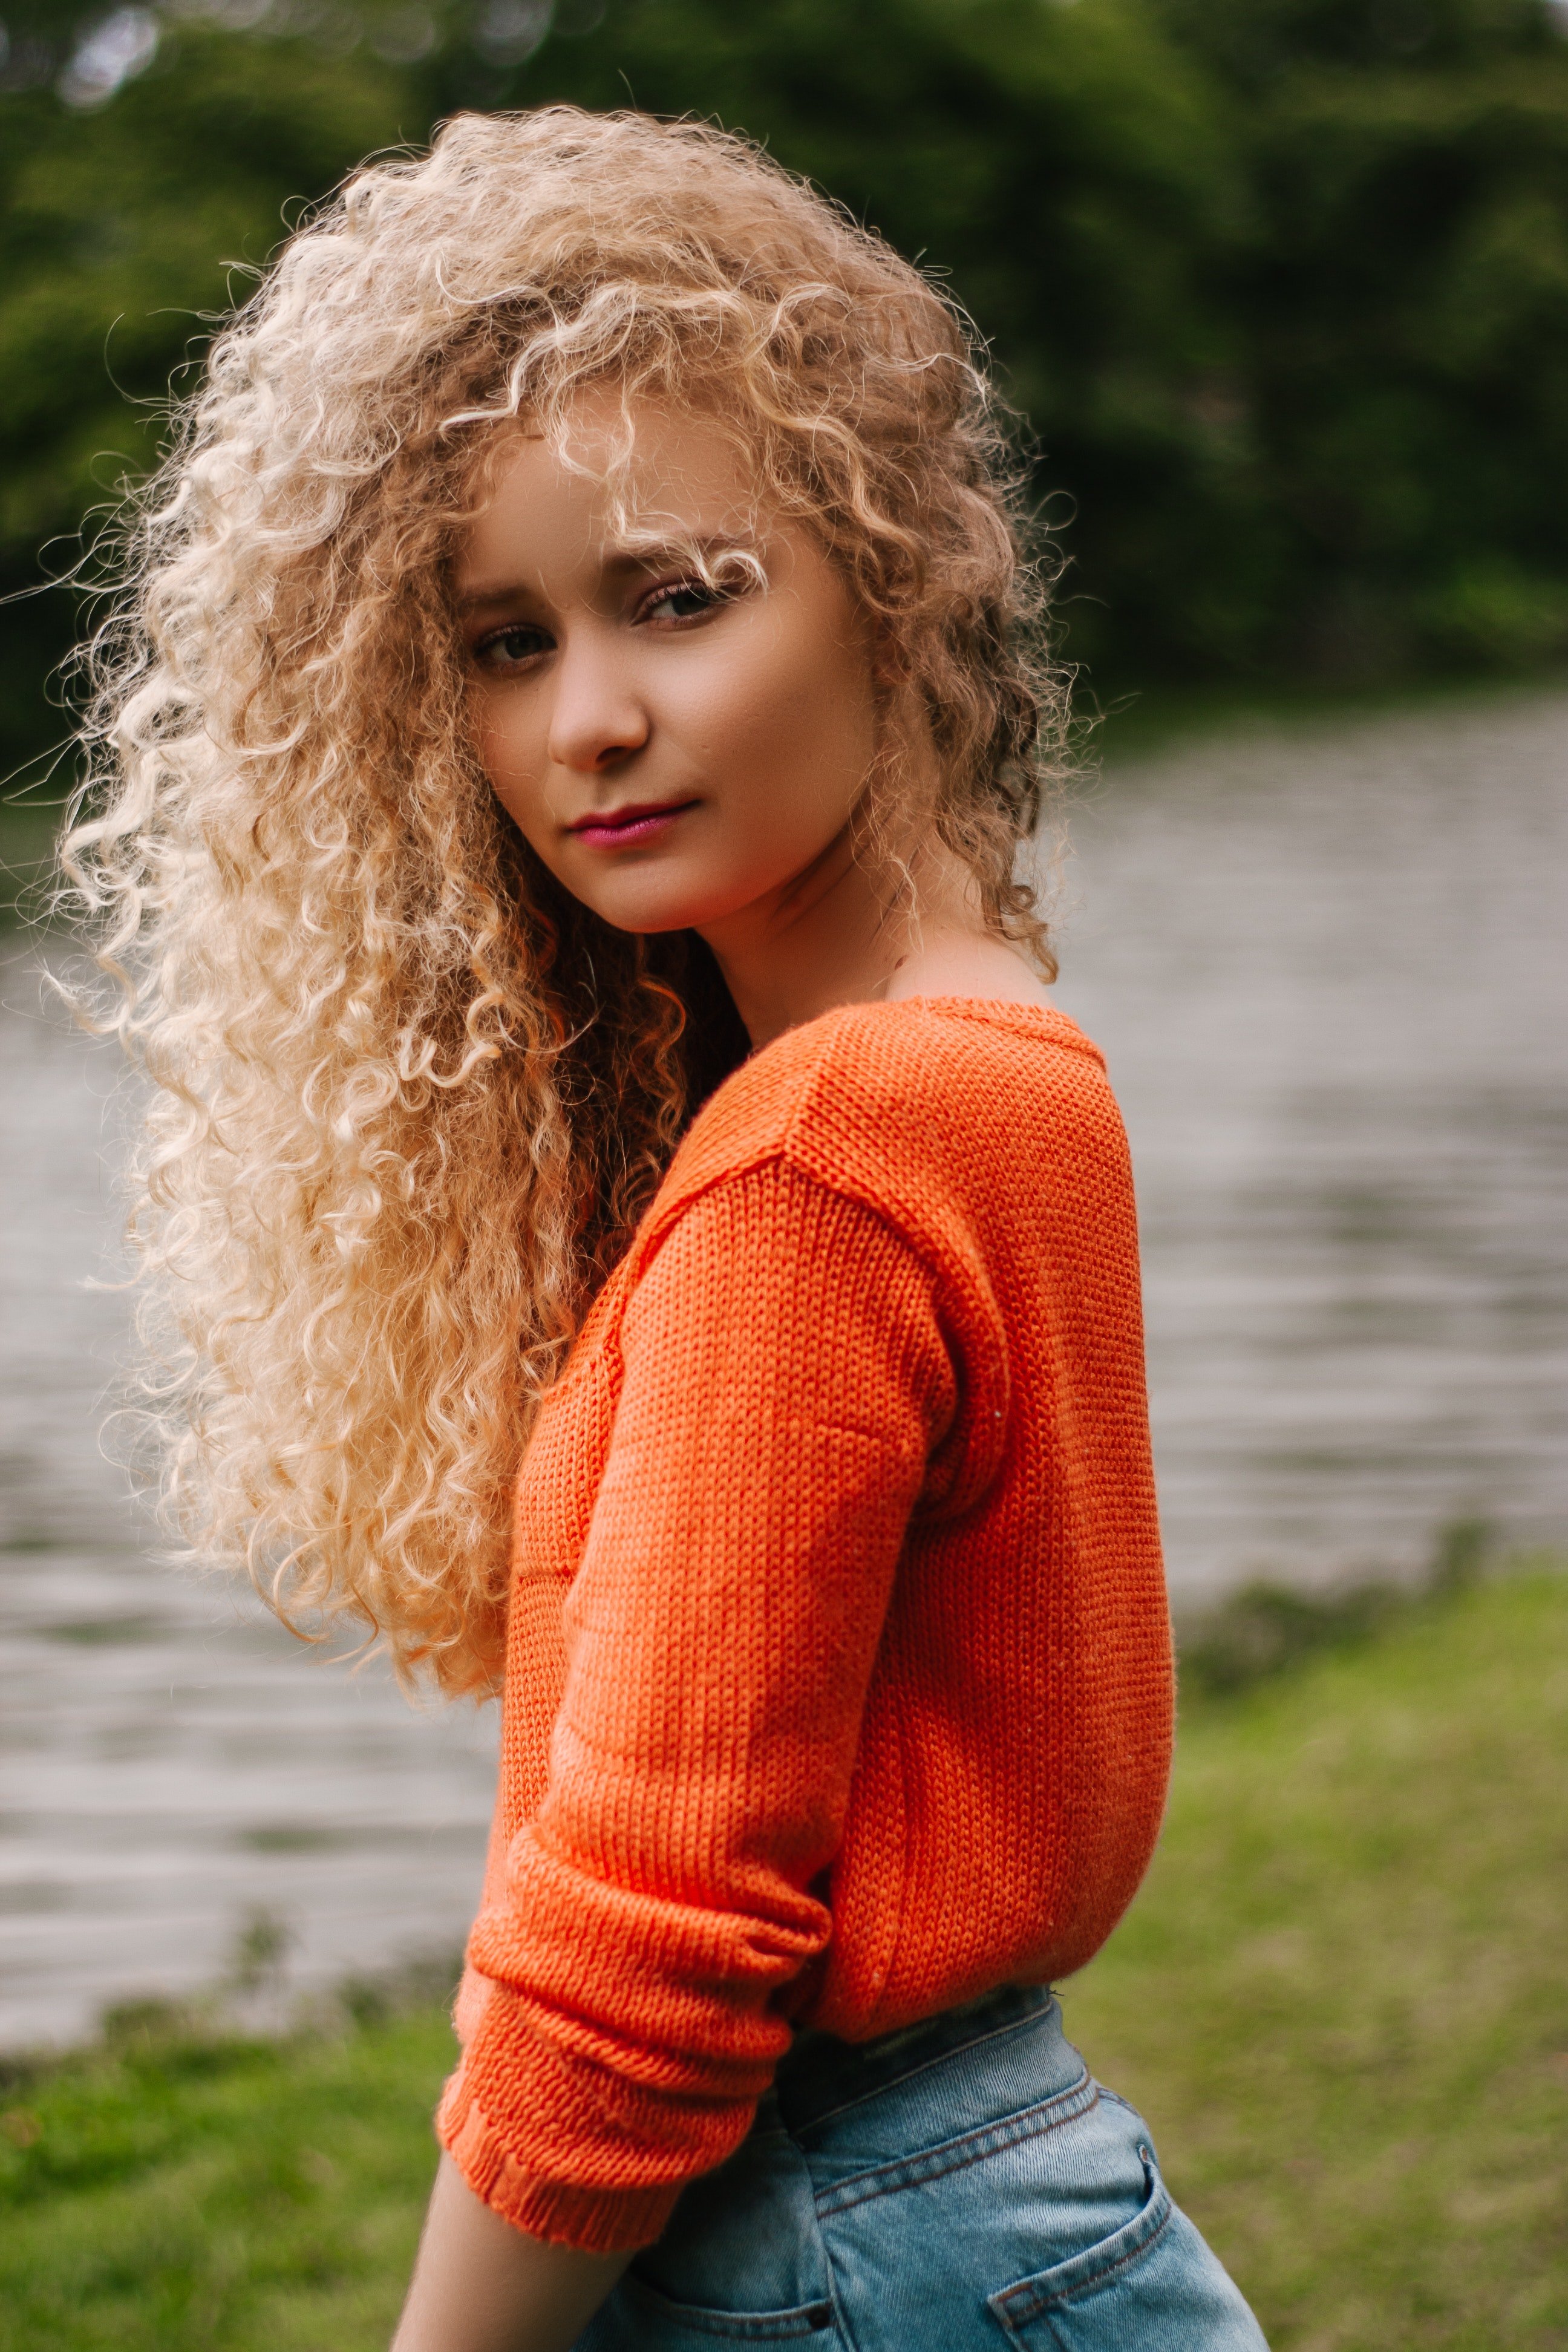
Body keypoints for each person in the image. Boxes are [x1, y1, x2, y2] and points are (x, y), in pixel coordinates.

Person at [67, 106, 1269, 2352]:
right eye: (503, 643)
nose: (589, 722)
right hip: (984, 2189)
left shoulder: (826, 1151)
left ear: (892, 576)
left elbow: (648, 1923)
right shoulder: (995, 1054)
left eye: (678, 599)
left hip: (845, 2240)